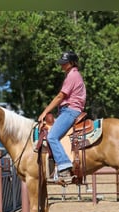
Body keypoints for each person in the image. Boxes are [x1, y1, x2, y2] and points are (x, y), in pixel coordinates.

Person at [38, 51, 86, 181]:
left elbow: (60, 96)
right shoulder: (73, 75)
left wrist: (44, 112)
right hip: (70, 110)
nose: (62, 65)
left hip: (70, 110)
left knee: (52, 136)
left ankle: (64, 167)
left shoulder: (72, 76)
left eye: (64, 63)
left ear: (72, 63)